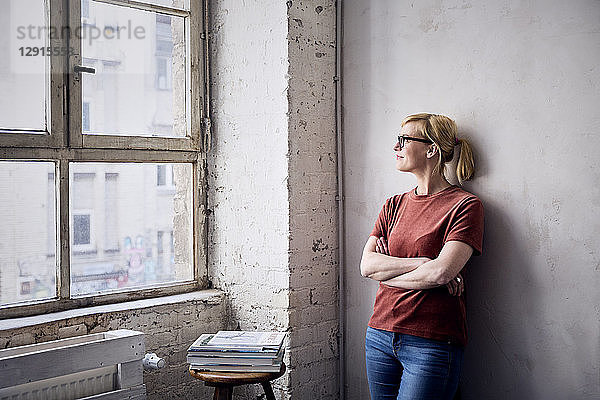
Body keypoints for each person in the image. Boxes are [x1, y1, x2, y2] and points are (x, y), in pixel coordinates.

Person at [360, 113, 484, 400]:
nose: (396, 146)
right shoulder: (393, 205)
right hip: (379, 334)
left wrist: (390, 273)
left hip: (432, 341)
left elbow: (441, 274)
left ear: (431, 149)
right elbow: (367, 265)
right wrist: (421, 263)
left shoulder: (465, 206)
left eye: (404, 139)